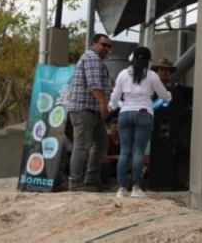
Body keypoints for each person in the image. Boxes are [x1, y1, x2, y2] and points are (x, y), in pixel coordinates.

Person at [108, 46, 171, 198]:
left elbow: (115, 96)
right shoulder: (151, 76)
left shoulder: (123, 74)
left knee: (124, 151)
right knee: (138, 151)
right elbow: (163, 95)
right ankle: (135, 188)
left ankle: (121, 188)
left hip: (125, 113)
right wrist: (169, 96)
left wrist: (112, 106)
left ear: (133, 58)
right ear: (148, 61)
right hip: (144, 113)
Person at [67, 33, 113, 191]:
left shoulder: (96, 60)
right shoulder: (92, 58)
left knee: (101, 142)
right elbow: (94, 84)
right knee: (81, 146)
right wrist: (103, 104)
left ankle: (91, 178)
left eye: (108, 46)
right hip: (84, 109)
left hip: (93, 110)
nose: (106, 48)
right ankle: (75, 182)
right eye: (103, 44)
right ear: (94, 44)